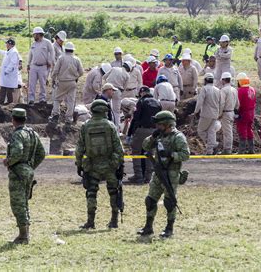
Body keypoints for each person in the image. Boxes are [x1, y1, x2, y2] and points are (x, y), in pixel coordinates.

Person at [137, 111, 190, 238]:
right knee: (150, 200)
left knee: (169, 201)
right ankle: (148, 227)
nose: (157, 126)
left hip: (171, 173)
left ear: (167, 124)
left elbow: (185, 154)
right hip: (158, 172)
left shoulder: (178, 137)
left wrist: (171, 154)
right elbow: (145, 146)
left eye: (159, 124)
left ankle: (169, 228)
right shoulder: (159, 135)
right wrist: (152, 137)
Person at [75, 99, 125, 229]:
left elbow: (80, 147)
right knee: (114, 192)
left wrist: (79, 164)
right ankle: (114, 221)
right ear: (104, 111)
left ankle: (90, 222)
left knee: (91, 193)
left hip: (91, 165)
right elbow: (119, 148)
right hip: (110, 165)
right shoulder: (110, 125)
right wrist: (119, 165)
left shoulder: (85, 126)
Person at [3, 108, 46, 244]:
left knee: (18, 204)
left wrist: (8, 161)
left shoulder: (18, 134)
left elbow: (17, 152)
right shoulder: (33, 134)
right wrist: (30, 166)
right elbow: (42, 153)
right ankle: (25, 233)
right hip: (28, 171)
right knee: (24, 202)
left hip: (18, 172)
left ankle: (23, 236)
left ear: (13, 119)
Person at [127, 86, 162, 184]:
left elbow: (136, 118)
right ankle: (148, 177)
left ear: (142, 93)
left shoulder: (141, 102)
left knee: (136, 152)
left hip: (142, 130)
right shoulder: (157, 102)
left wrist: (130, 133)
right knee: (150, 153)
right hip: (154, 130)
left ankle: (138, 176)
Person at [50, 42, 84, 125]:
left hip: (62, 81)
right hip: (72, 82)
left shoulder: (61, 58)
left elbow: (56, 70)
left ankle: (55, 115)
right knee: (71, 101)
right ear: (73, 50)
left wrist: (53, 78)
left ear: (65, 49)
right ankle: (69, 118)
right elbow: (81, 72)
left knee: (57, 99)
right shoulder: (77, 59)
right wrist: (76, 77)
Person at [194, 73, 221, 155]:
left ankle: (212, 144)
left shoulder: (204, 89)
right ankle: (210, 150)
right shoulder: (217, 90)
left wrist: (196, 111)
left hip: (206, 114)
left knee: (201, 130)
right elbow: (220, 102)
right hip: (215, 114)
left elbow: (200, 102)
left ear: (205, 80)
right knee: (211, 132)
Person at [27, 26, 55, 104]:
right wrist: (28, 64)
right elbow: (30, 54)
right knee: (32, 84)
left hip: (43, 66)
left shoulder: (47, 42)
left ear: (39, 34)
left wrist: (51, 61)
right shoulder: (33, 44)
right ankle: (31, 99)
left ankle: (42, 99)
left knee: (42, 84)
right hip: (34, 66)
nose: (33, 36)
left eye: (35, 35)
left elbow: (52, 52)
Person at [103, 61, 131, 128]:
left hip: (107, 88)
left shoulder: (114, 68)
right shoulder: (127, 75)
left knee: (104, 106)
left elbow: (104, 77)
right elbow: (124, 87)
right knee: (116, 112)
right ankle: (116, 128)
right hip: (118, 90)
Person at [236, 73, 257, 154]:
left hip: (243, 113)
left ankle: (242, 150)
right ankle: (251, 149)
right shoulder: (252, 89)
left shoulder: (240, 91)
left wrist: (237, 112)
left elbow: (238, 103)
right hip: (251, 112)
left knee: (242, 130)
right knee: (249, 129)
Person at [219, 72, 239, 154]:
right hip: (232, 112)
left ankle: (227, 149)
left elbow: (222, 103)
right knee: (229, 131)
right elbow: (237, 103)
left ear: (223, 80)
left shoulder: (223, 90)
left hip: (225, 113)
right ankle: (227, 148)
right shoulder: (234, 90)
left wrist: (219, 114)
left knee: (227, 132)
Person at [0, 39, 20, 105]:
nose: (6, 45)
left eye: (7, 44)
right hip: (6, 75)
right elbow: (5, 53)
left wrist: (7, 70)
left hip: (9, 74)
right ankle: (1, 102)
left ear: (10, 44)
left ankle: (10, 103)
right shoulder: (10, 51)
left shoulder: (14, 52)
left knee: (9, 90)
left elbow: (13, 63)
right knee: (3, 88)